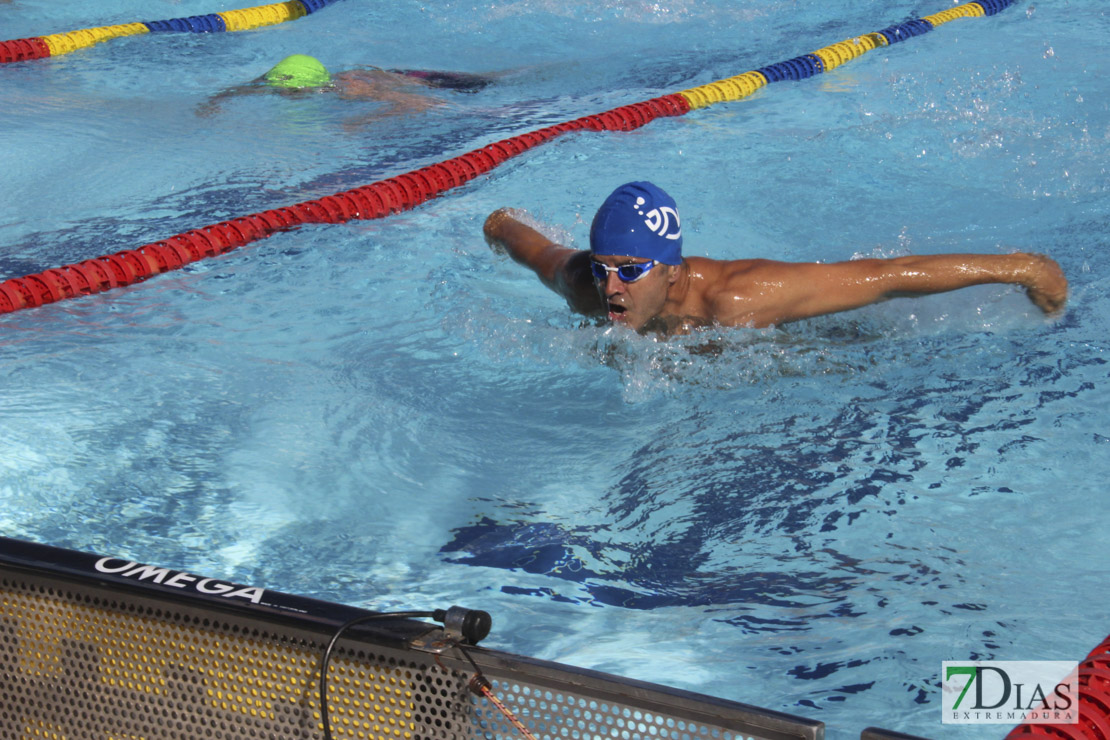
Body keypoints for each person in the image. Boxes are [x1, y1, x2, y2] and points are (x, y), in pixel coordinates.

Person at [483, 181, 1068, 335]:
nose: (611, 285)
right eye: (605, 266)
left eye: (630, 269)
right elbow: (531, 245)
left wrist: (1020, 269)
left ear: (672, 267)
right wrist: (496, 222)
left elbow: (885, 278)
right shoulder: (583, 283)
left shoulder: (739, 298)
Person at [198, 54, 494, 118]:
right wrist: (213, 104)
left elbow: (416, 103)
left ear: (315, 85)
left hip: (436, 83)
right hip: (386, 70)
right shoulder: (280, 81)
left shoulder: (350, 90)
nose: (284, 97)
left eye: (292, 92)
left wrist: (361, 122)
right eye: (280, 90)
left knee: (498, 78)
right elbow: (243, 89)